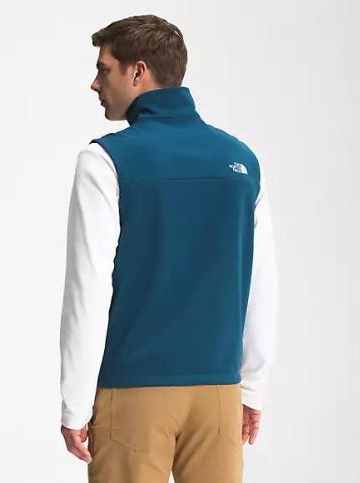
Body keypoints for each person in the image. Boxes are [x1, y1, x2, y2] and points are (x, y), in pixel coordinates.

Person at [59, 14, 278, 483]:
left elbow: (88, 288)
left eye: (104, 69)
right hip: (218, 393)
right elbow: (261, 283)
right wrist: (252, 389)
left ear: (138, 71)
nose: (95, 84)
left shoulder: (105, 161)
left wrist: (74, 403)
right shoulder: (242, 161)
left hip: (133, 392)